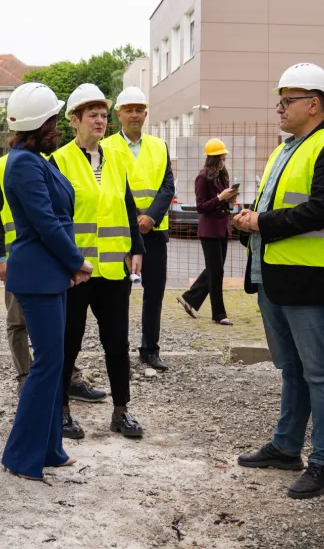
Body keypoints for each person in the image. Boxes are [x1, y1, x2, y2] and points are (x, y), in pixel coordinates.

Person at [231, 63, 324, 500]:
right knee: (292, 370)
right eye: (279, 100)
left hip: (312, 282)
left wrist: (259, 220)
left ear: (314, 104)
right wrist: (246, 217)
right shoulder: (283, 150)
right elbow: (273, 205)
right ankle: (286, 448)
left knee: (320, 373)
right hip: (275, 278)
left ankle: (323, 464)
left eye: (287, 100)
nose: (279, 108)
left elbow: (321, 209)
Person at [0, 82, 91, 480]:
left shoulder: (38, 159)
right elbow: (46, 224)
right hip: (38, 274)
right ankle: (21, 456)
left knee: (54, 364)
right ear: (41, 123)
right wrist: (78, 263)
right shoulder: (23, 163)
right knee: (48, 364)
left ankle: (50, 447)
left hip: (49, 274)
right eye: (55, 119)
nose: (59, 127)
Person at [50, 83, 146, 440]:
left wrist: (137, 248)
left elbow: (127, 205)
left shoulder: (118, 158)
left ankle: (121, 411)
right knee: (68, 342)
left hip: (113, 271)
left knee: (117, 343)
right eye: (93, 115)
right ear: (74, 120)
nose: (101, 121)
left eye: (104, 116)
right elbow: (55, 218)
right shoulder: (59, 161)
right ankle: (61, 411)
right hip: (74, 273)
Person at [0, 152, 104, 399]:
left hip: (48, 259)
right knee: (18, 323)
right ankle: (25, 378)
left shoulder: (48, 162)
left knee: (58, 327)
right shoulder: (0, 166)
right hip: (15, 260)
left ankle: (68, 378)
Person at [100, 86, 175, 371]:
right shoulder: (106, 147)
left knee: (154, 293)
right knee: (118, 295)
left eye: (139, 110)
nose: (134, 114)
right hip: (121, 233)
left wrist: (151, 217)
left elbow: (168, 186)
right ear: (118, 114)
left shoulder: (159, 146)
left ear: (145, 113)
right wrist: (135, 222)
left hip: (154, 233)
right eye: (128, 110)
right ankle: (117, 350)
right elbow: (108, 189)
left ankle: (150, 349)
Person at [179, 138, 238, 325]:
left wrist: (230, 200)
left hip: (223, 229)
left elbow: (221, 204)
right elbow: (201, 207)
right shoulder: (202, 177)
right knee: (216, 271)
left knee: (215, 269)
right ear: (212, 159)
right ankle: (219, 314)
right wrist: (220, 197)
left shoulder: (222, 176)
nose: (223, 163)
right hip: (209, 231)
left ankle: (189, 298)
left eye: (224, 159)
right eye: (220, 159)